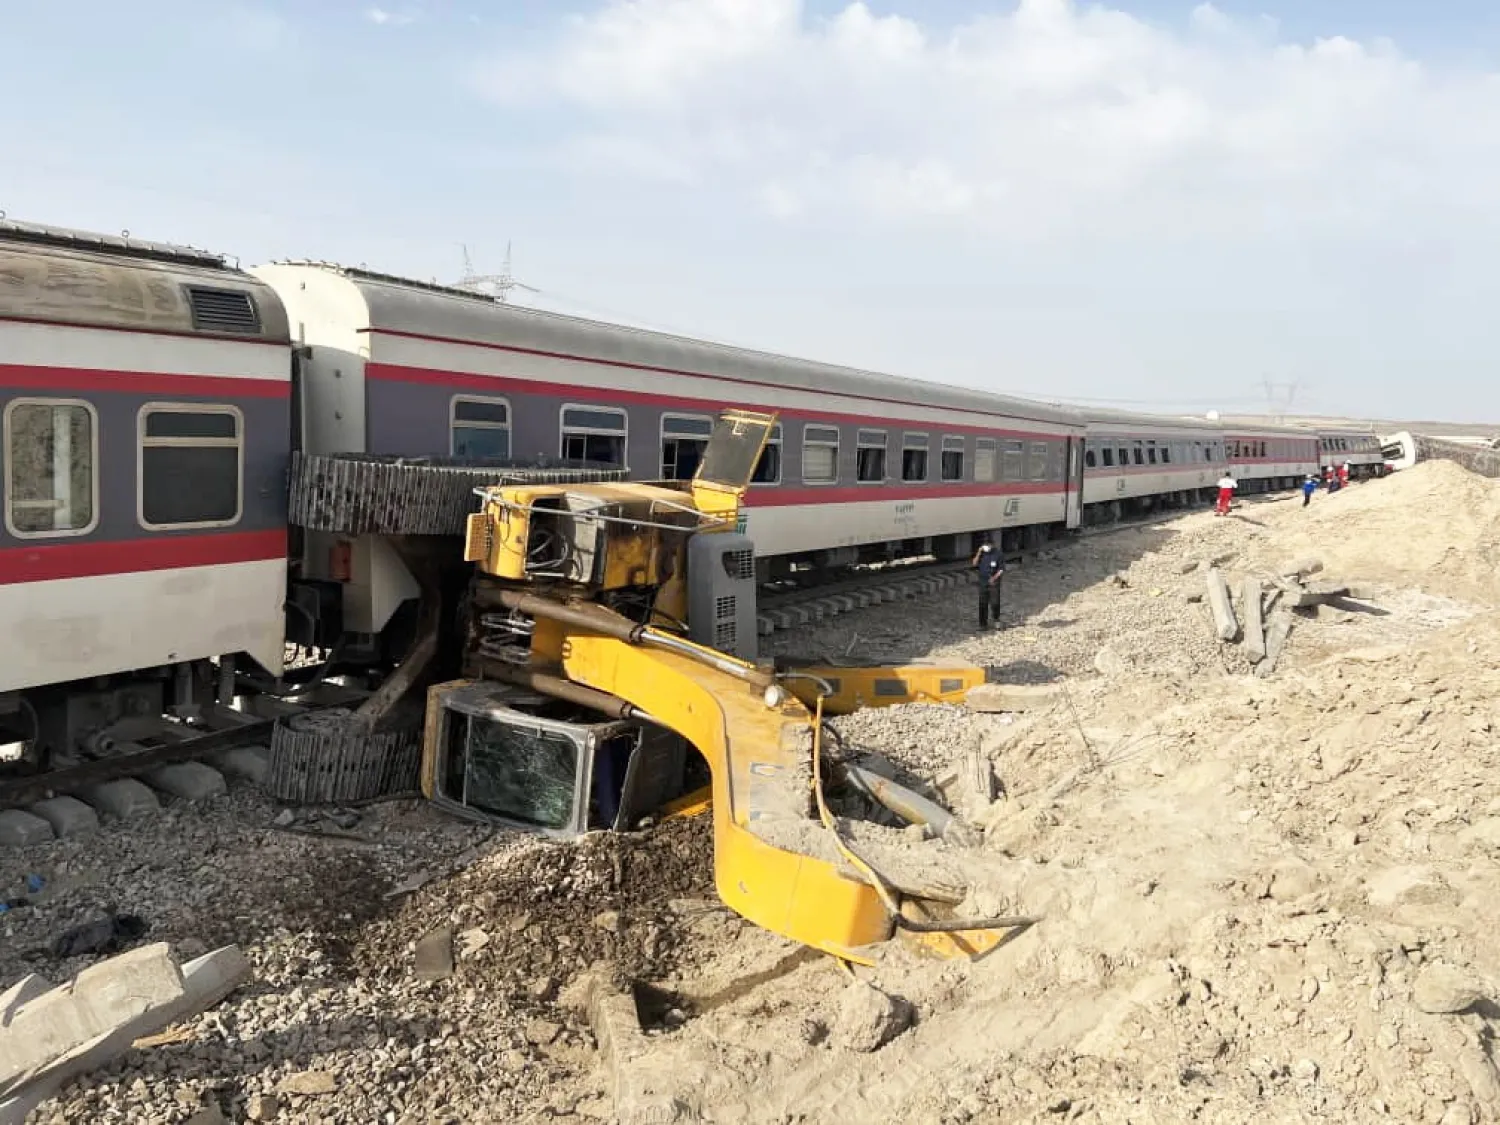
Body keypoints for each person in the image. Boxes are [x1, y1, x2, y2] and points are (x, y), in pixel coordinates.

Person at [971, 536, 1004, 629]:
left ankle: (996, 620)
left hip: (994, 582)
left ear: (992, 545)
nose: (986, 546)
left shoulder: (998, 554)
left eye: (987, 545)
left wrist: (994, 578)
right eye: (984, 545)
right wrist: (978, 552)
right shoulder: (981, 554)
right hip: (983, 581)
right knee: (982, 603)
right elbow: (974, 563)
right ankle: (983, 624)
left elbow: (1001, 569)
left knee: (995, 602)